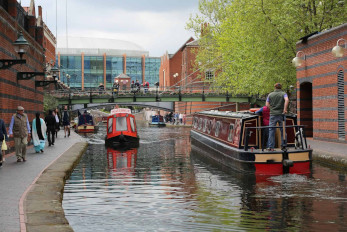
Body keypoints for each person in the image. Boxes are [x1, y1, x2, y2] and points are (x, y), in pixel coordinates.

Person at [266, 83, 289, 151]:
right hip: (281, 114)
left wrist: (272, 109)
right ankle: (283, 146)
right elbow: (287, 100)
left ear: (275, 87)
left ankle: (271, 147)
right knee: (283, 130)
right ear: (281, 87)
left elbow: (267, 104)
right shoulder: (283, 93)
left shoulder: (270, 94)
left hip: (273, 115)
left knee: (271, 131)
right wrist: (285, 109)